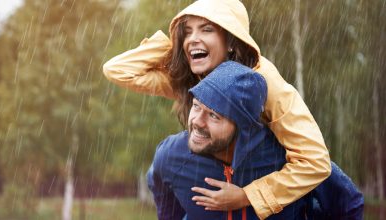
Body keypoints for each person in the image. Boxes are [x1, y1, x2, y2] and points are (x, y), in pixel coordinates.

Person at [103, 0, 331, 218]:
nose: (193, 38)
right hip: (211, 185)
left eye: (206, 29)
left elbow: (315, 162)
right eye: (188, 31)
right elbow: (118, 70)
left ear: (232, 40)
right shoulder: (193, 78)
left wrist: (247, 196)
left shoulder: (265, 81)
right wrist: (177, 44)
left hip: (268, 193)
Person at [147, 61, 364, 220]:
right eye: (196, 106)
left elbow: (349, 204)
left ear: (242, 126)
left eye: (214, 115)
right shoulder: (172, 155)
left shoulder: (288, 159)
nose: (197, 122)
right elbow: (164, 201)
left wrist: (248, 196)